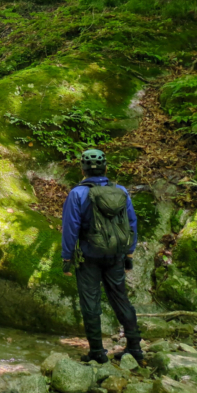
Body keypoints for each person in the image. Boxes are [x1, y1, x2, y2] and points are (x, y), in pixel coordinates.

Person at [62, 149, 142, 364]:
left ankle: (97, 351)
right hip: (116, 254)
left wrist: (67, 258)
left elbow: (71, 228)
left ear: (83, 170)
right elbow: (131, 224)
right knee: (120, 298)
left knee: (90, 301)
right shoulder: (121, 191)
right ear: (106, 168)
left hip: (88, 255)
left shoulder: (77, 194)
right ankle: (134, 346)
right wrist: (129, 252)